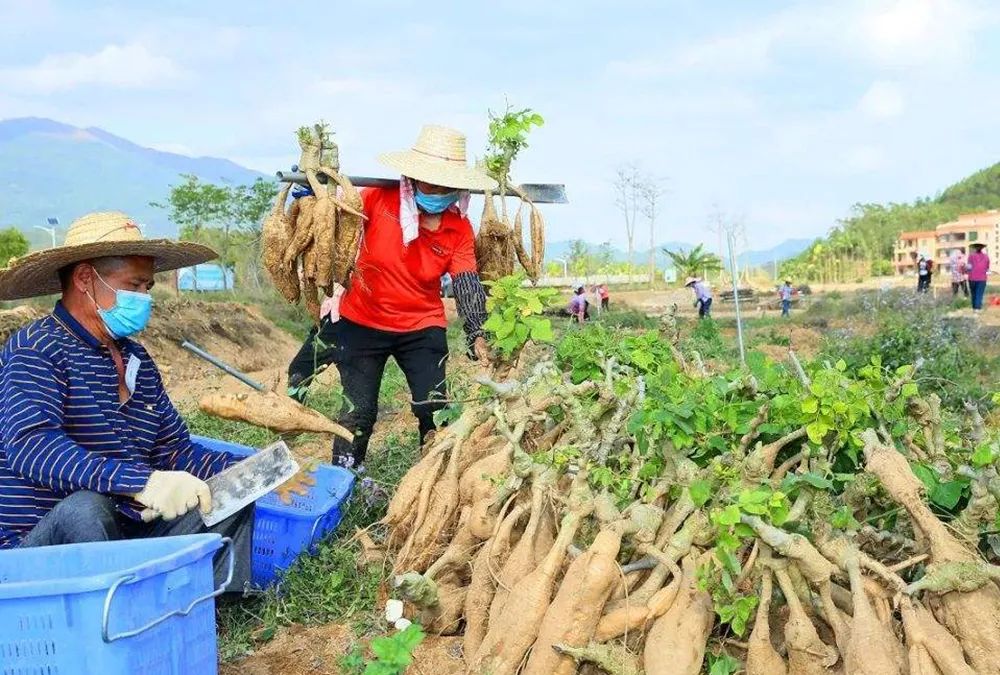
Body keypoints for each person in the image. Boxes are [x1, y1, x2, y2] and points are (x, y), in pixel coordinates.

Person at [0, 212, 253, 591]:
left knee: (229, 495)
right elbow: (31, 446)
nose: (144, 298)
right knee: (86, 508)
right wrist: (140, 482)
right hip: (40, 553)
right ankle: (111, 622)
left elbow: (173, 451)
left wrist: (251, 469)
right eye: (134, 285)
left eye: (148, 287)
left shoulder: (137, 361)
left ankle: (207, 611)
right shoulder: (37, 349)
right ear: (85, 278)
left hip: (124, 532)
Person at [286, 125, 493, 470]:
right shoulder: (375, 199)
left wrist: (478, 332)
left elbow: (467, 282)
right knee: (359, 411)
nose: (438, 192)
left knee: (435, 408)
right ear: (412, 178)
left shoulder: (458, 227)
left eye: (446, 186)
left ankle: (433, 475)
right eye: (430, 182)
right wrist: (316, 196)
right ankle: (346, 477)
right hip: (362, 321)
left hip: (421, 326)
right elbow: (333, 222)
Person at [967, 243, 991, 312]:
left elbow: (969, 267)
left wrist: (966, 270)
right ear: (982, 248)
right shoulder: (986, 257)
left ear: (974, 248)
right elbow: (987, 267)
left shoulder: (971, 256)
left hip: (972, 278)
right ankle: (977, 308)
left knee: (973, 293)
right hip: (982, 278)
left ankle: (974, 307)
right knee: (979, 293)